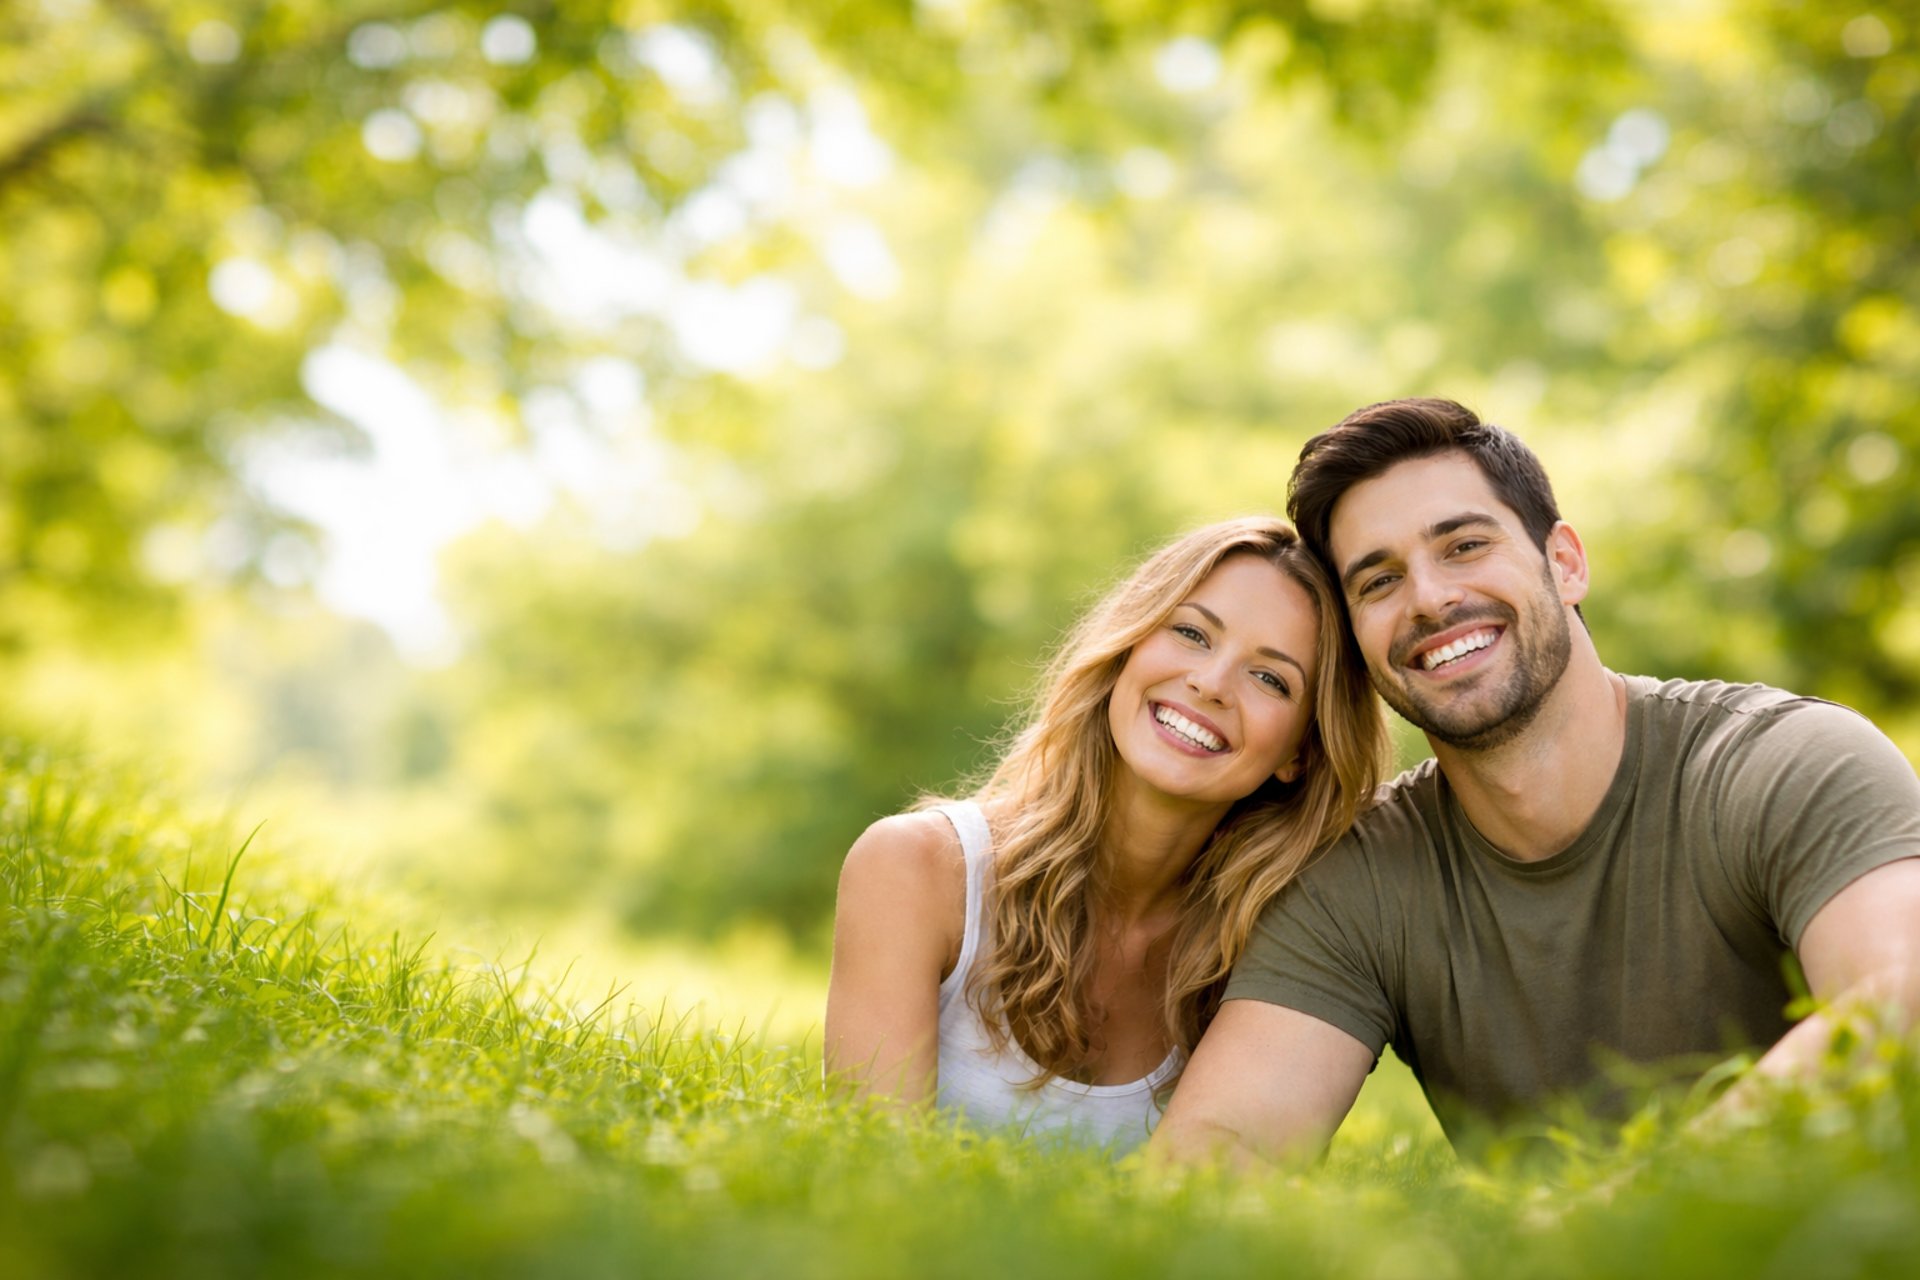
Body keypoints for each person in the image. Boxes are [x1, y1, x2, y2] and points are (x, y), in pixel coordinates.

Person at [1152, 398, 1920, 1165]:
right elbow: (1214, 1155)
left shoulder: (1786, 763)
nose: (1428, 598)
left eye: (1463, 546)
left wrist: (1614, 1224)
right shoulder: (1362, 880)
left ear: (1565, 562)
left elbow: (1898, 1007)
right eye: (1378, 582)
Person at [824, 517, 1390, 1151]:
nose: (1209, 683)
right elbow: (867, 1181)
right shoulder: (916, 868)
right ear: (1129, 648)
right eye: (1191, 632)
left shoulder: (1282, 953)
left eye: (1270, 679)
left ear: (1302, 753)